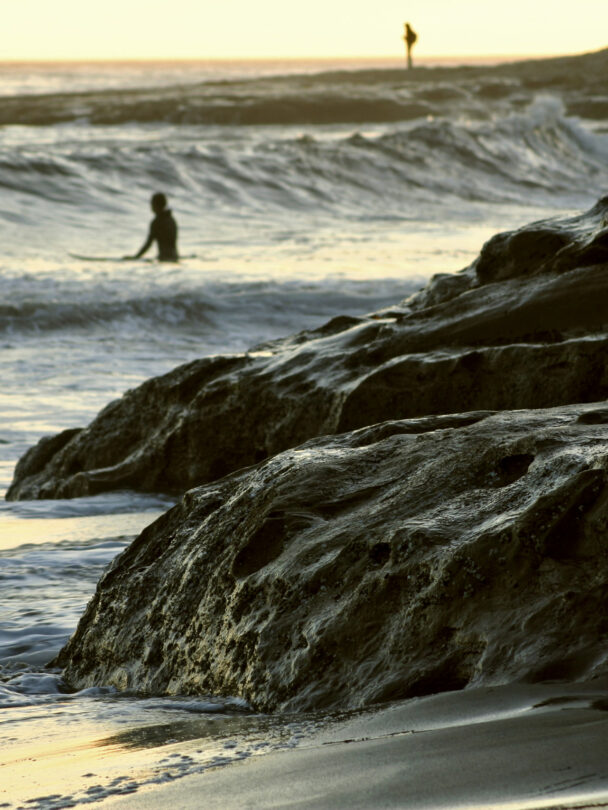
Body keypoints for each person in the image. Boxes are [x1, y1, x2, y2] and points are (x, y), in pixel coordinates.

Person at [127, 192, 178, 261]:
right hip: (175, 257)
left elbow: (149, 243)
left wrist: (136, 257)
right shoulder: (171, 220)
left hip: (164, 258)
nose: (151, 206)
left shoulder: (157, 222)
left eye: (152, 204)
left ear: (157, 205)